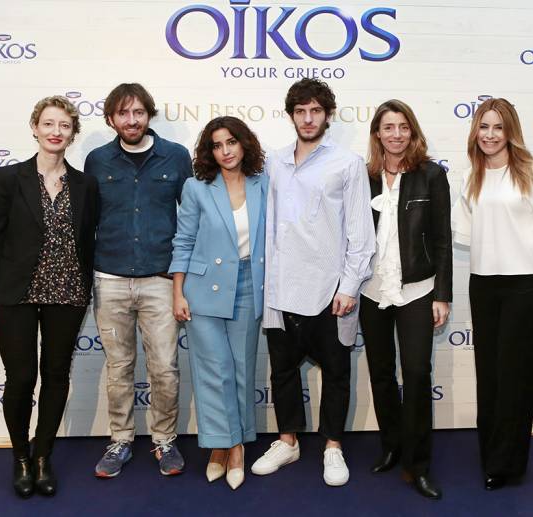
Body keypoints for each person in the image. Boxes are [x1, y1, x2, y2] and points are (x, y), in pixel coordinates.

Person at [0, 95, 99, 498]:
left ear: (72, 134)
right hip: (15, 292)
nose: (56, 131)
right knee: (22, 377)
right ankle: (21, 458)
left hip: (68, 291)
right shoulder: (10, 178)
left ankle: (43, 456)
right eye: (48, 123)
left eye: (64, 125)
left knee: (56, 375)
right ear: (35, 128)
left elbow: (89, 239)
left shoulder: (86, 184)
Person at [251, 78, 376, 487]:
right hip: (280, 288)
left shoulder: (348, 163)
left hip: (329, 291)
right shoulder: (274, 162)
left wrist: (349, 286)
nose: (308, 118)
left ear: (328, 115)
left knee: (336, 373)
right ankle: (287, 441)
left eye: (315, 111)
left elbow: (361, 233)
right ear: (291, 115)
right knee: (283, 371)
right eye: (301, 111)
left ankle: (333, 446)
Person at [452, 97, 533, 491]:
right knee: (490, 373)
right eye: (484, 127)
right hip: (484, 283)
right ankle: (491, 455)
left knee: (516, 374)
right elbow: (468, 233)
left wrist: (532, 264)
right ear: (476, 132)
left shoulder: (531, 173)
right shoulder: (471, 177)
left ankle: (508, 464)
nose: (490, 134)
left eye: (498, 127)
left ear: (510, 132)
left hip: (525, 285)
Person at [85, 83, 192, 478]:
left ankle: (164, 440)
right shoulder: (97, 160)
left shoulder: (176, 156)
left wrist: (183, 277)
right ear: (111, 119)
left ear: (149, 114)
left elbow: (190, 218)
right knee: (119, 368)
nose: (131, 121)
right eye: (123, 114)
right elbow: (87, 220)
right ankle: (121, 440)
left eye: (138, 113)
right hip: (109, 278)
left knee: (165, 367)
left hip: (160, 280)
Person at [357, 100, 451, 499]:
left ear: (412, 131)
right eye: (388, 127)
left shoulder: (431, 175)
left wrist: (442, 295)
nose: (396, 134)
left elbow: (443, 239)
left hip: (417, 289)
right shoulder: (364, 177)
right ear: (377, 134)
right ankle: (392, 447)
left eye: (403, 127)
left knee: (415, 373)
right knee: (381, 373)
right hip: (371, 289)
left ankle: (419, 464)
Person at [169, 116, 267, 490]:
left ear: (244, 144)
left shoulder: (264, 184)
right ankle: (219, 446)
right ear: (209, 152)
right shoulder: (197, 188)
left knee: (241, 369)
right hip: (202, 289)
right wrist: (178, 292)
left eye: (231, 142)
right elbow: (183, 241)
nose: (225, 151)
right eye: (217, 145)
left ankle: (236, 447)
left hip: (249, 287)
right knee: (214, 371)